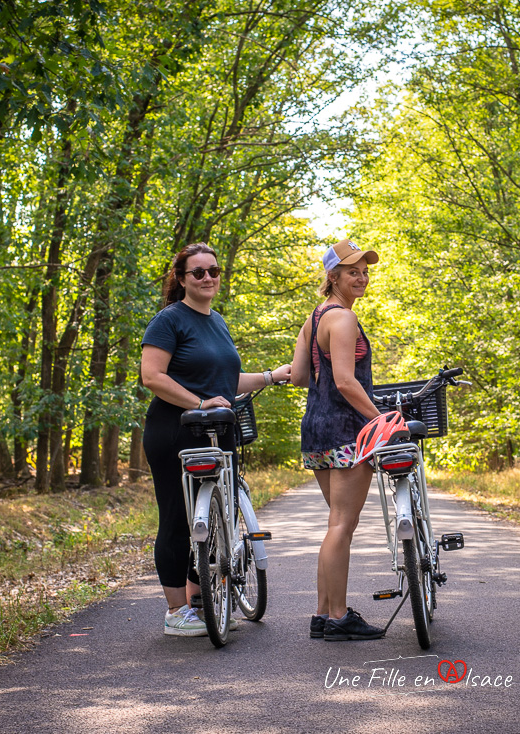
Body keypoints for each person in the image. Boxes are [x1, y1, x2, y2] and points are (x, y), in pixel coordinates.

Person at [140, 243, 291, 637]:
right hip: (174, 431)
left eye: (213, 271)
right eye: (198, 272)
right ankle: (175, 612)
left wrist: (271, 376)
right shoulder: (168, 320)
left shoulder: (217, 321)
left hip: (218, 430)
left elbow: (225, 381)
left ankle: (199, 601)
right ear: (181, 278)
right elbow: (153, 377)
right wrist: (200, 403)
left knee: (215, 518)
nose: (208, 278)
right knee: (177, 519)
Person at [290, 238, 385, 641]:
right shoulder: (343, 319)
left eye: (364, 270)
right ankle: (339, 616)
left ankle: (322, 614)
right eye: (352, 271)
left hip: (316, 427)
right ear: (333, 276)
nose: (361, 277)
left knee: (335, 524)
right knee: (343, 525)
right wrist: (382, 421)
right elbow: (345, 381)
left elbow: (297, 377)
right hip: (346, 430)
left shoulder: (314, 318)